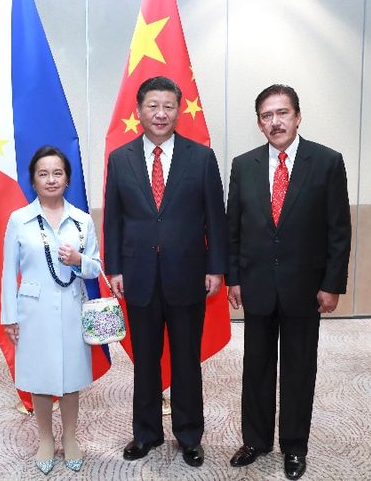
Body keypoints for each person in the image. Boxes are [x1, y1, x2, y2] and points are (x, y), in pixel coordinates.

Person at [226, 85, 351, 480]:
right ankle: (256, 440)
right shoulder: (243, 165)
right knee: (256, 367)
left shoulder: (327, 162)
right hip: (257, 284)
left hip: (304, 287)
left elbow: (338, 231)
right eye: (267, 115)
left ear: (297, 117)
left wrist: (331, 284)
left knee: (299, 370)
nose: (275, 122)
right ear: (259, 123)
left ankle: (295, 447)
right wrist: (233, 278)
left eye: (282, 113)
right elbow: (233, 229)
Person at [104, 76, 228, 467]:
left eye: (168, 106)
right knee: (145, 359)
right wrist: (114, 267)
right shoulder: (120, 158)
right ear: (139, 110)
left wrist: (216, 267)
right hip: (138, 275)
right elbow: (114, 219)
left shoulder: (201, 157)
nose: (160, 113)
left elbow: (216, 218)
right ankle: (146, 433)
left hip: (188, 274)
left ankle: (189, 435)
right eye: (153, 106)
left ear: (178, 110)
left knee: (187, 359)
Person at [1, 146, 102, 474]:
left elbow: (95, 268)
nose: (51, 179)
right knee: (40, 377)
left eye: (57, 173)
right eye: (43, 174)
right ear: (33, 180)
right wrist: (9, 317)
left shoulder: (82, 220)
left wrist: (78, 260)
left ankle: (70, 438)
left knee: (71, 376)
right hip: (33, 311)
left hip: (71, 307)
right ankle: (45, 439)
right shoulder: (19, 220)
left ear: (67, 179)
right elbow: (8, 272)